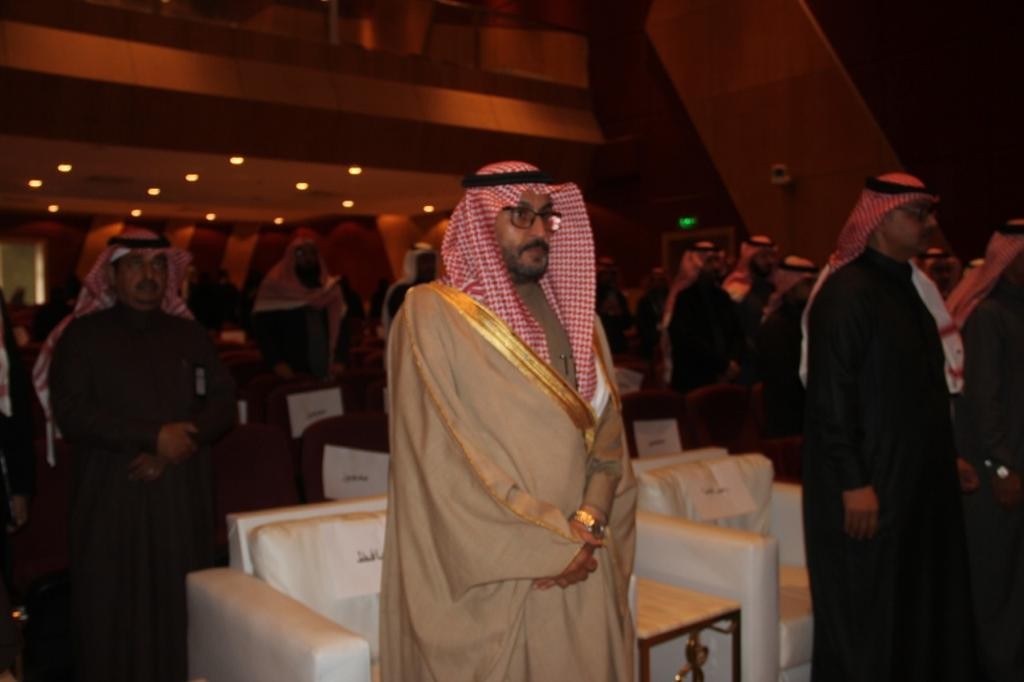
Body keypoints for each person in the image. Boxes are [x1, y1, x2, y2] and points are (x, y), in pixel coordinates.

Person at [381, 161, 636, 681]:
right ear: (479, 222)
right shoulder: (430, 316)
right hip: (500, 571)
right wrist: (551, 544)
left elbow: (608, 440)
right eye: (521, 215)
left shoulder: (583, 321)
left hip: (584, 560)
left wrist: (588, 523)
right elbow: (440, 463)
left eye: (546, 216)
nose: (539, 230)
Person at [35, 229, 236, 682]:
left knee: (179, 605)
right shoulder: (81, 337)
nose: (149, 275)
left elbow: (223, 403)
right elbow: (72, 413)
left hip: (181, 495)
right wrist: (152, 436)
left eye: (158, 265)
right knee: (111, 609)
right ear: (110, 275)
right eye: (135, 265)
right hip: (111, 495)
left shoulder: (189, 334)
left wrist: (176, 445)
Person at [801, 173, 976, 681]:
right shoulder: (845, 294)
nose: (929, 225)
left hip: (914, 483)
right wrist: (854, 482)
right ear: (879, 221)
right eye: (917, 214)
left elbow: (926, 392)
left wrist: (947, 457)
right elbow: (831, 401)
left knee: (919, 608)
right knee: (871, 614)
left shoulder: (908, 292)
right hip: (869, 487)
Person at [947, 220, 1024, 682]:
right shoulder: (988, 315)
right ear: (1010, 261)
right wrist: (1000, 468)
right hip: (996, 472)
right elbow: (981, 401)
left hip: (1015, 465)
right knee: (996, 580)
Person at [250, 237, 348, 378]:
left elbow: (343, 330)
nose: (308, 258)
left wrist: (340, 360)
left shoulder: (331, 290)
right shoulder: (274, 288)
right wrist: (276, 362)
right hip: (289, 371)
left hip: (329, 367)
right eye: (301, 253)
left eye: (312, 253)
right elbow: (264, 333)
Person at [667, 241, 745, 393]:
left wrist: (732, 363)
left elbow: (736, 333)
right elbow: (687, 340)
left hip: (726, 374)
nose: (715, 267)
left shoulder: (722, 297)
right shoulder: (684, 298)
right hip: (695, 377)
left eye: (717, 261)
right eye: (710, 262)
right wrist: (722, 364)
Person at [753, 255, 817, 437]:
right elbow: (784, 380)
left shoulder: (808, 320)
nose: (812, 290)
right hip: (787, 420)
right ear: (790, 286)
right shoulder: (775, 326)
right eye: (807, 284)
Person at [381, 242, 437, 335]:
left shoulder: (439, 290)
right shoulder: (400, 291)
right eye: (424, 261)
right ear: (413, 263)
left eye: (432, 260)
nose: (430, 265)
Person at [595, 257, 633, 355]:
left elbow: (627, 322)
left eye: (610, 273)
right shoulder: (592, 294)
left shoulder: (619, 295)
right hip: (598, 339)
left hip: (617, 342)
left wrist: (618, 312)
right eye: (604, 273)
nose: (608, 276)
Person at [634, 266, 668, 361]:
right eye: (655, 280)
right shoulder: (644, 301)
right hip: (650, 342)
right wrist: (655, 338)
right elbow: (641, 325)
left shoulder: (670, 299)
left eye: (661, 280)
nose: (658, 283)